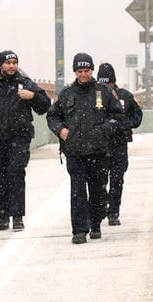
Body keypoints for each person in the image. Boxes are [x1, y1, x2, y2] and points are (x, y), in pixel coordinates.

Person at [47, 53, 125, 244]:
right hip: (75, 151)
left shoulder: (104, 92)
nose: (83, 74)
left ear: (91, 71)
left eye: (87, 71)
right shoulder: (66, 94)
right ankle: (79, 230)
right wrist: (60, 130)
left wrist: (104, 130)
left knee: (98, 189)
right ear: (75, 71)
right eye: (80, 71)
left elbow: (118, 117)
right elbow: (52, 116)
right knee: (77, 190)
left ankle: (96, 222)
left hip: (99, 151)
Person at [0, 50, 51, 232]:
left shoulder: (24, 83)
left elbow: (45, 105)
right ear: (1, 64)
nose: (11, 66)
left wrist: (33, 96)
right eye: (8, 63)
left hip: (19, 137)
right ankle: (3, 215)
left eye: (14, 62)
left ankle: (17, 217)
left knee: (16, 174)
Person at [96, 63, 142, 226]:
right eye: (101, 84)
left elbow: (137, 117)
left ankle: (113, 212)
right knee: (99, 180)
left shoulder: (125, 97)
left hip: (119, 144)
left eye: (107, 84)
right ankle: (100, 209)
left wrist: (124, 124)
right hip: (100, 145)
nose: (105, 87)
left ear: (113, 82)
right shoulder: (94, 96)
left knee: (117, 179)